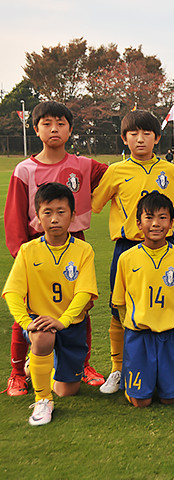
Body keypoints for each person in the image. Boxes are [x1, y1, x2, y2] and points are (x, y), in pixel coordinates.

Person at [3, 101, 106, 396]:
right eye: (47, 123)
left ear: (70, 129)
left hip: (75, 245)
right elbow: (14, 216)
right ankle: (17, 372)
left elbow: (115, 177)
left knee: (80, 308)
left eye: (61, 123)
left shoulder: (84, 165)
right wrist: (23, 253)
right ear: (35, 129)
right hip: (36, 248)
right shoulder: (25, 169)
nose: (54, 129)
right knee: (27, 310)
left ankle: (81, 365)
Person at [92, 110, 174, 394]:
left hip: (166, 249)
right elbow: (95, 203)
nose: (140, 139)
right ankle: (118, 369)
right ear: (124, 139)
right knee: (118, 308)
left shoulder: (171, 172)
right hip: (128, 248)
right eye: (133, 133)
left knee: (173, 306)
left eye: (147, 133)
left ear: (157, 138)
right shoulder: (116, 171)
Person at [2, 183, 98, 425]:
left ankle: (37, 364)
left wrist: (63, 321)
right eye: (47, 212)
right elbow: (12, 292)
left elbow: (84, 293)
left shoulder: (84, 250)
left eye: (61, 211)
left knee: (68, 390)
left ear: (73, 216)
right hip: (40, 322)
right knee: (44, 336)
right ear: (37, 217)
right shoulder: (27, 251)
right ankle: (42, 399)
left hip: (70, 325)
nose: (54, 219)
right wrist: (27, 324)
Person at [112, 192, 174, 407]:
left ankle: (168, 379)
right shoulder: (127, 258)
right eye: (149, 217)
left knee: (170, 399)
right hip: (139, 337)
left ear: (172, 222)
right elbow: (119, 302)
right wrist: (133, 326)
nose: (156, 224)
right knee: (141, 401)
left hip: (172, 335)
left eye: (163, 217)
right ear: (138, 223)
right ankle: (136, 380)